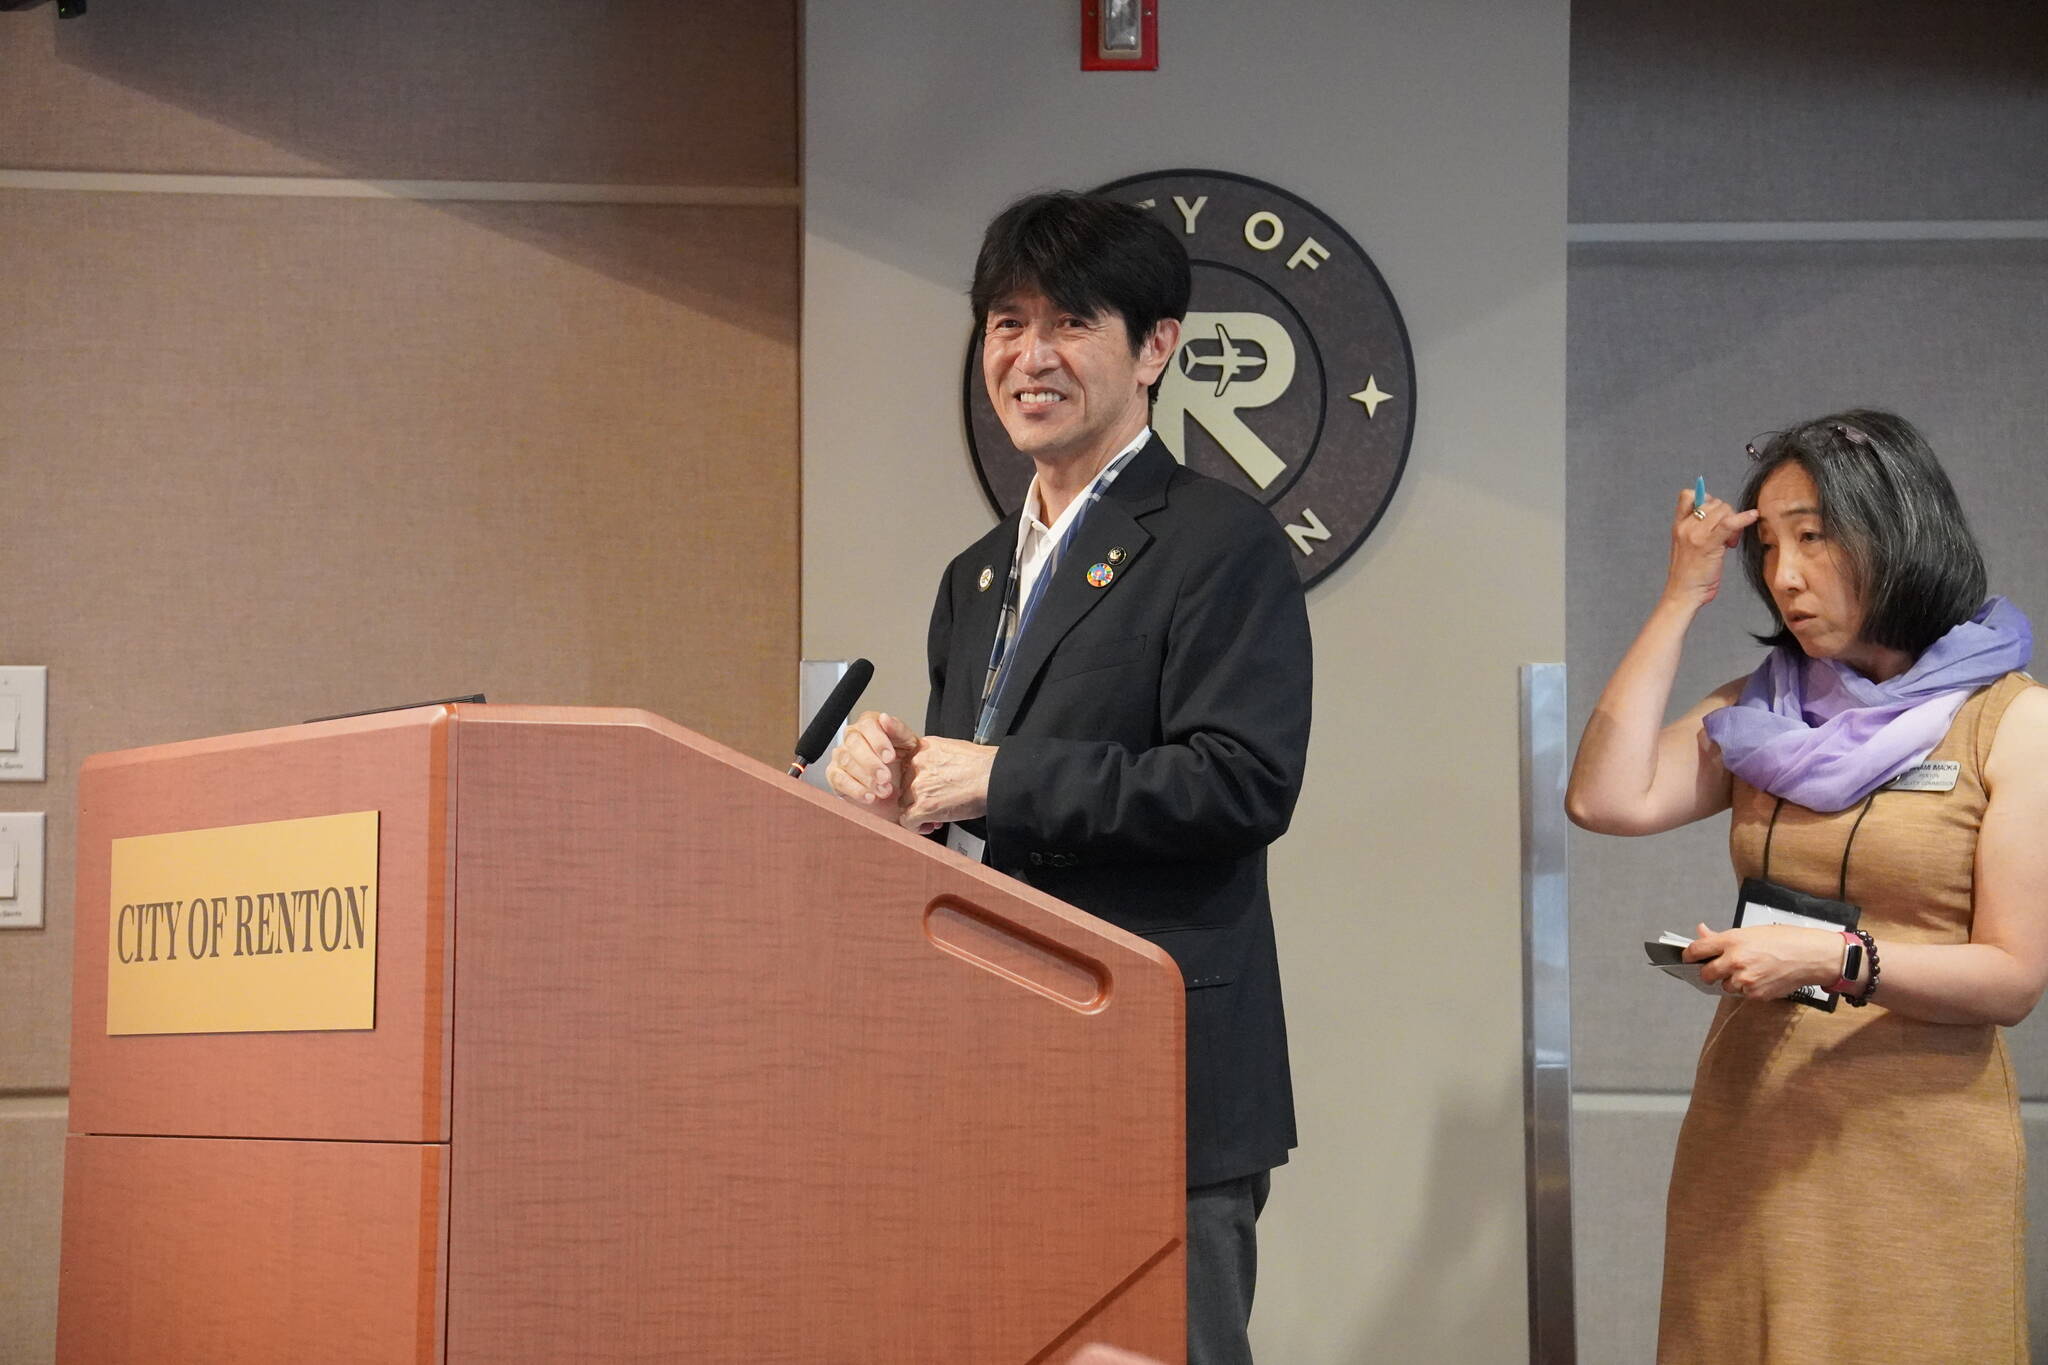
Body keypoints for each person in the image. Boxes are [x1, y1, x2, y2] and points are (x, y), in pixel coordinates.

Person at [825, 191, 1312, 1365]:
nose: (1028, 358)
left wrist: (996, 779)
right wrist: (896, 807)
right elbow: (974, 811)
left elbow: (1242, 783)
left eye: (1068, 324)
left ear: (1155, 348)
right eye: (1005, 323)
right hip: (994, 1059)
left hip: (1150, 1064)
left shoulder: (1218, 540)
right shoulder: (976, 574)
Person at [1566, 410, 2048, 1363]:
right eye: (1771, 546)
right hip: (1753, 1124)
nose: (1785, 576)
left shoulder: (2013, 722)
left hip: (1916, 1143)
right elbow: (1603, 797)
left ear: (1899, 530)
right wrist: (1679, 598)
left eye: (1814, 537)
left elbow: (2014, 977)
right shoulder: (1766, 708)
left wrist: (1835, 956)